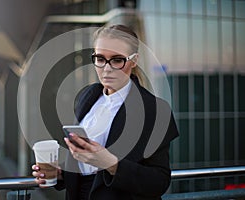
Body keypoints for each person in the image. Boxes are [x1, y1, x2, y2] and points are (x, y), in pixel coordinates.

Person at [32, 24, 179, 200]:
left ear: (134, 60)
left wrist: (111, 164)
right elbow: (85, 165)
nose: (107, 69)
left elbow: (159, 182)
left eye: (117, 60)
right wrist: (61, 174)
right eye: (100, 59)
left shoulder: (155, 110)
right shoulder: (88, 96)